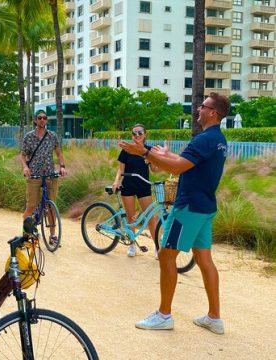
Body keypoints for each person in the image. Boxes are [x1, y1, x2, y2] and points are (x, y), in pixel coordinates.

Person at [119, 92, 230, 334]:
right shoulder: (218, 139)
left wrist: (145, 153)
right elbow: (185, 162)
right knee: (204, 260)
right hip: (205, 207)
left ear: (213, 113)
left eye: (204, 106)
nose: (198, 108)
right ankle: (214, 317)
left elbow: (179, 168)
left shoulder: (203, 139)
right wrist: (164, 154)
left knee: (167, 256)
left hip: (188, 207)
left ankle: (164, 315)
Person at [112, 124, 159, 257]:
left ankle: (157, 247)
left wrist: (163, 164)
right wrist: (116, 181)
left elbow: (154, 169)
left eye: (140, 133)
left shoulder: (148, 151)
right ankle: (132, 244)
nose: (137, 135)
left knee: (151, 217)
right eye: (134, 133)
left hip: (144, 186)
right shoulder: (127, 150)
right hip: (128, 185)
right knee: (131, 217)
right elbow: (121, 169)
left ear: (145, 134)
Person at [20, 110, 67, 245]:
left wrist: (62, 166)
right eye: (39, 118)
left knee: (52, 206)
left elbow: (58, 152)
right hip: (34, 175)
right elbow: (23, 155)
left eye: (44, 118)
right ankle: (26, 233)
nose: (42, 120)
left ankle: (52, 235)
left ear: (46, 120)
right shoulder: (29, 137)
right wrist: (25, 167)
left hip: (50, 175)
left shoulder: (52, 136)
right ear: (35, 120)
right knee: (31, 206)